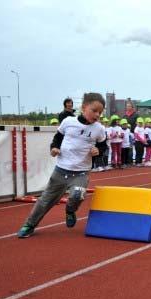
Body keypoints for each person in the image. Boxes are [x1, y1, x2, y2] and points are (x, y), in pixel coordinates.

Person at [16, 93, 107, 238]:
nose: (97, 115)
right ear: (84, 107)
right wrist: (54, 148)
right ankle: (30, 225)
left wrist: (99, 150)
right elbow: (57, 138)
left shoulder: (99, 129)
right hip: (61, 170)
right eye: (94, 110)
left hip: (81, 172)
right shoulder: (68, 122)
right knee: (45, 200)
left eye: (100, 112)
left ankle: (70, 210)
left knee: (77, 194)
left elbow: (103, 146)